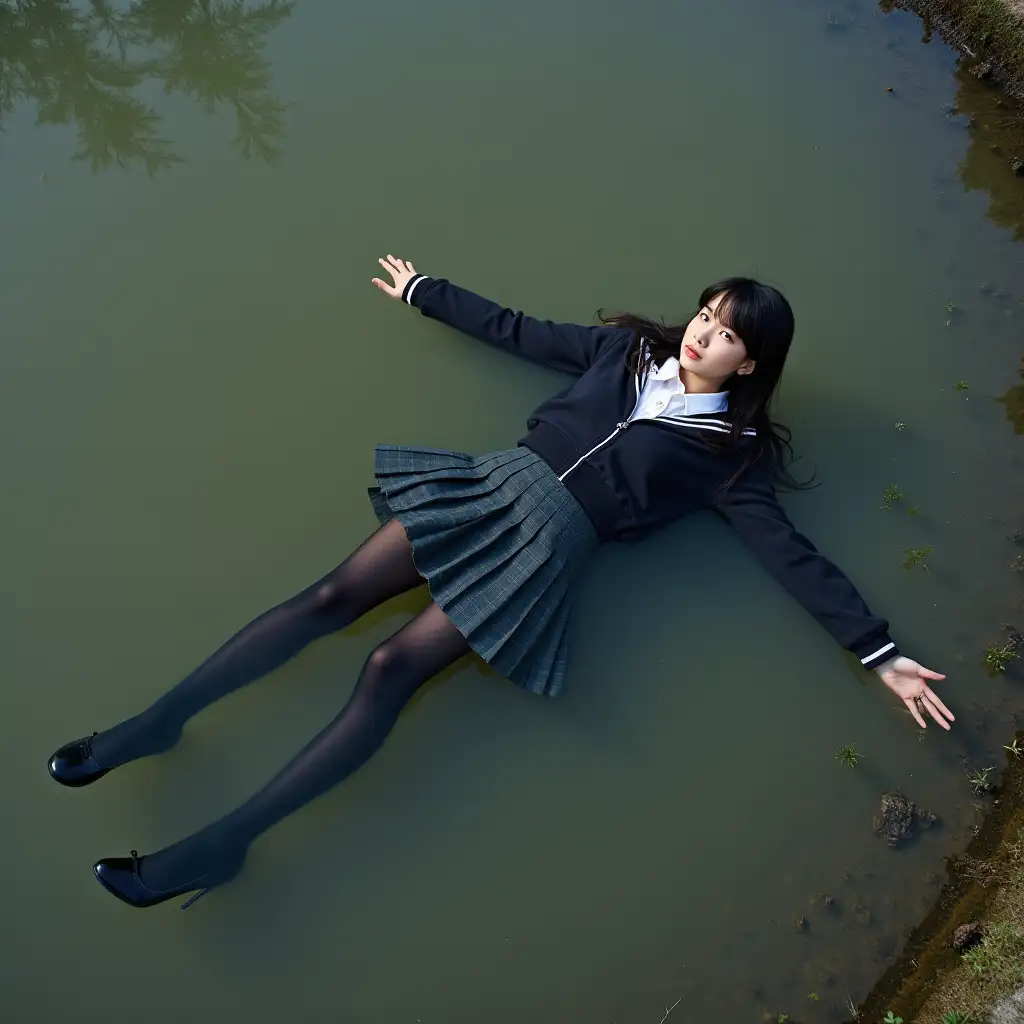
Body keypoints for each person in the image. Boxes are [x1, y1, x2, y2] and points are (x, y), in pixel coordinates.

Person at [48, 255, 954, 910]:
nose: (703, 335)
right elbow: (520, 331)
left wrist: (879, 654)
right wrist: (424, 293)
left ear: (750, 365)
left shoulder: (731, 457)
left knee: (387, 673)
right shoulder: (623, 351)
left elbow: (788, 553)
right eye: (706, 316)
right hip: (493, 485)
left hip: (547, 552)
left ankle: (223, 846)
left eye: (725, 337)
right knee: (329, 598)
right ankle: (159, 724)